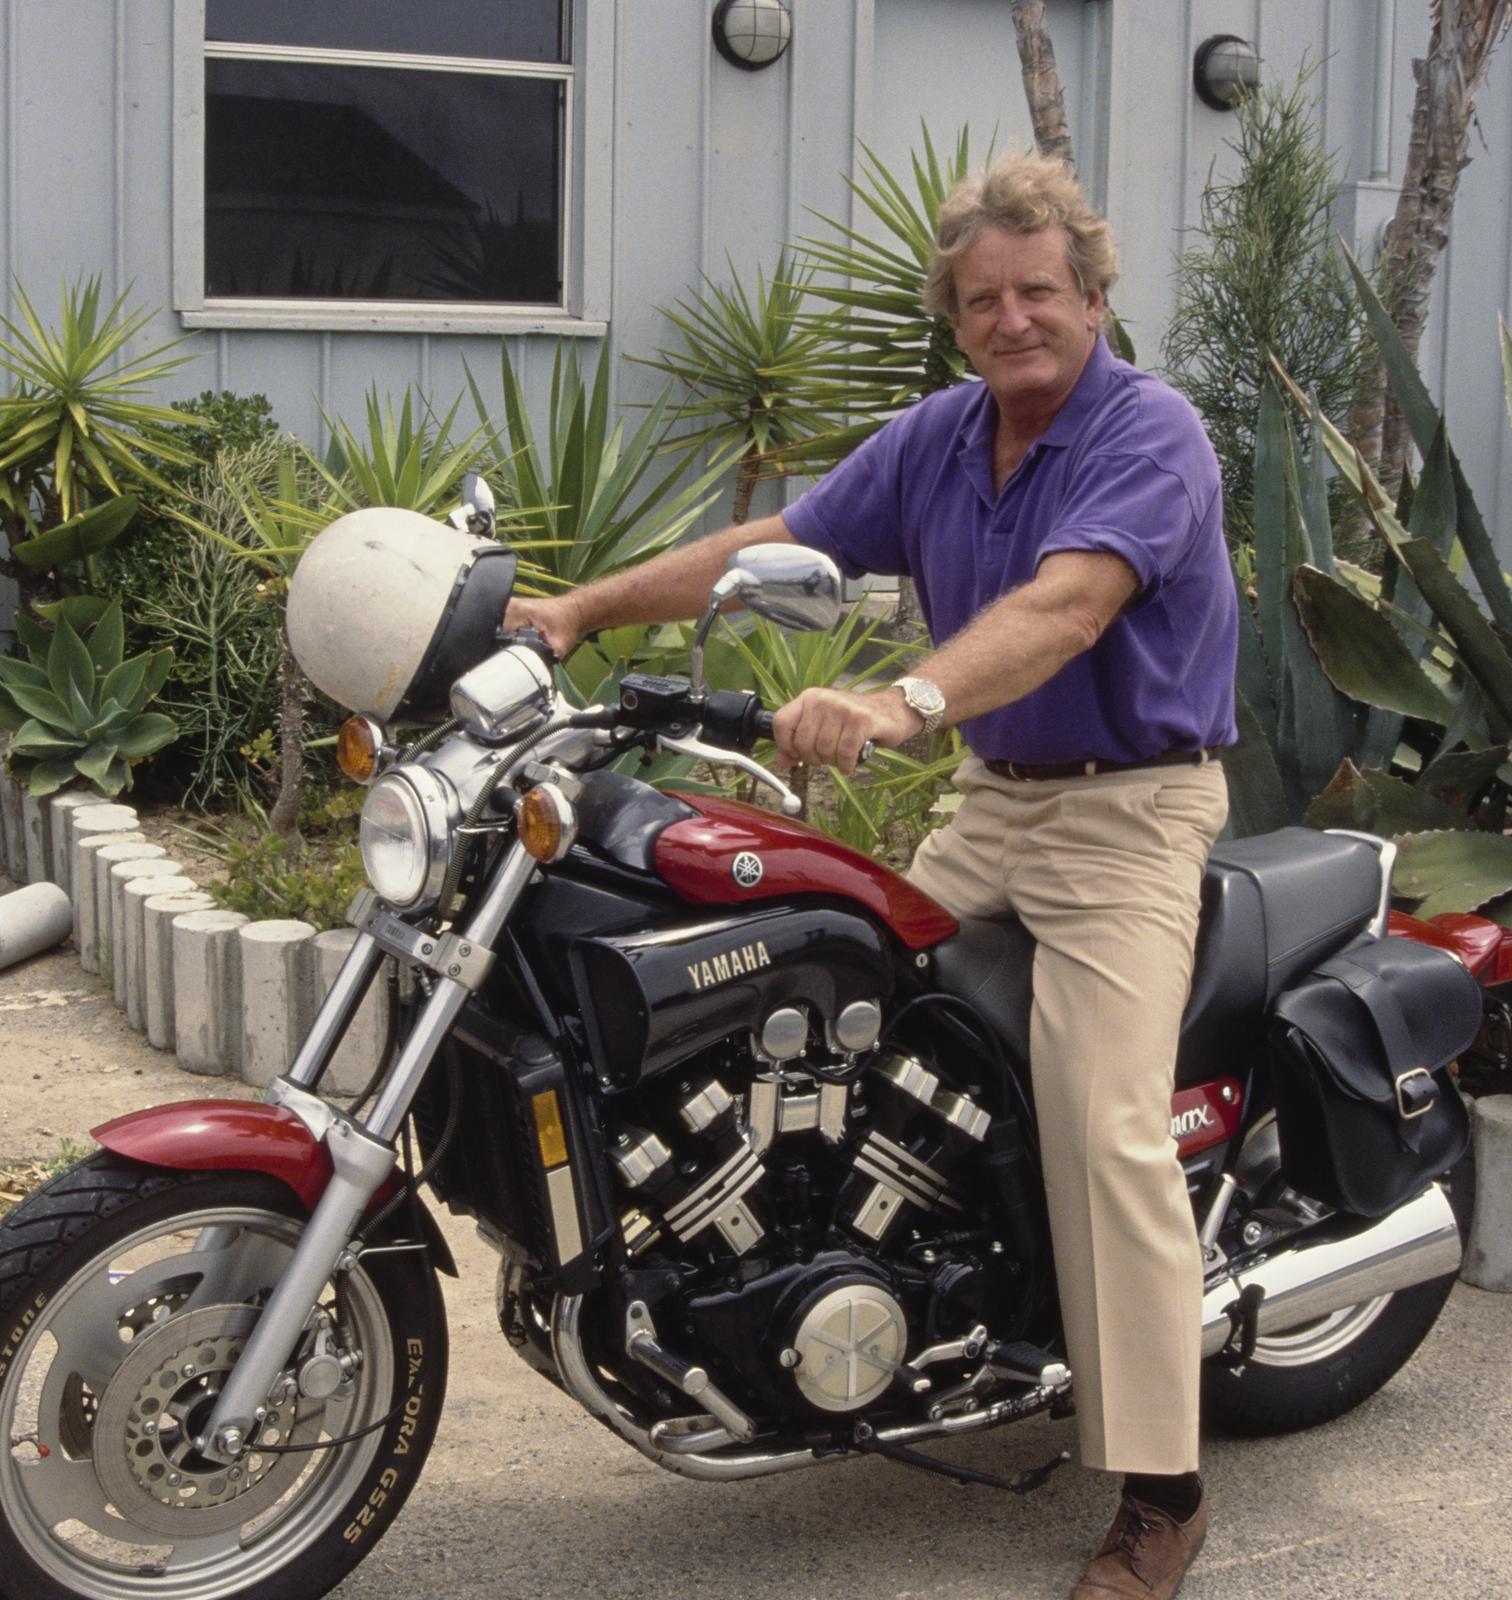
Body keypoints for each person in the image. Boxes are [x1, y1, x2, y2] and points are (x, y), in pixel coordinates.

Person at [507, 150, 1236, 1600]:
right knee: (848, 1021)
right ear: (956, 318)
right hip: (996, 803)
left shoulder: (1150, 435)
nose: (1012, 319)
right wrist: (583, 611)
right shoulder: (945, 439)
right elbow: (771, 545)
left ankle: (1162, 1489)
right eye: (982, 300)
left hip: (1128, 821)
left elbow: (1069, 606)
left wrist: (903, 700)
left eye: (1039, 292)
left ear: (1091, 296)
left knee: (1106, 1131)